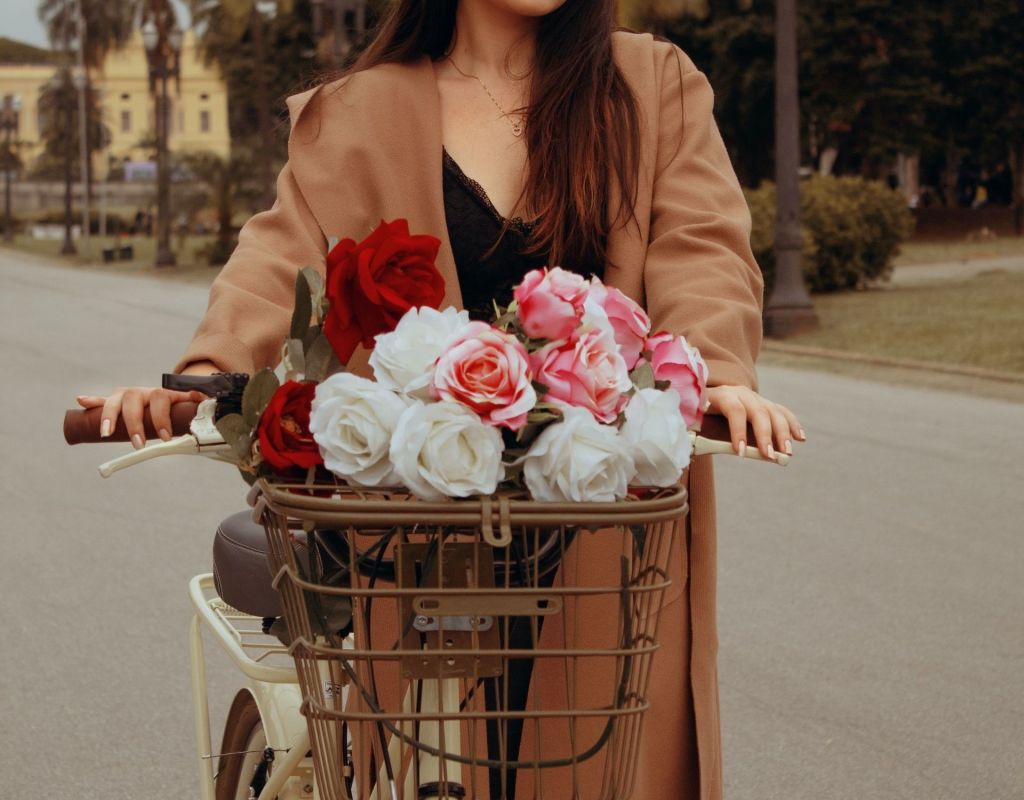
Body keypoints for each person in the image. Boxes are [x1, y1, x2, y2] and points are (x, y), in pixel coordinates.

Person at [77, 1, 804, 797]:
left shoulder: (651, 84)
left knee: (604, 765)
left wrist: (719, 374)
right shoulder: (359, 110)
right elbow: (277, 261)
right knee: (418, 758)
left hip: (601, 517)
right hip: (415, 523)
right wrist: (201, 377)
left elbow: (702, 249)